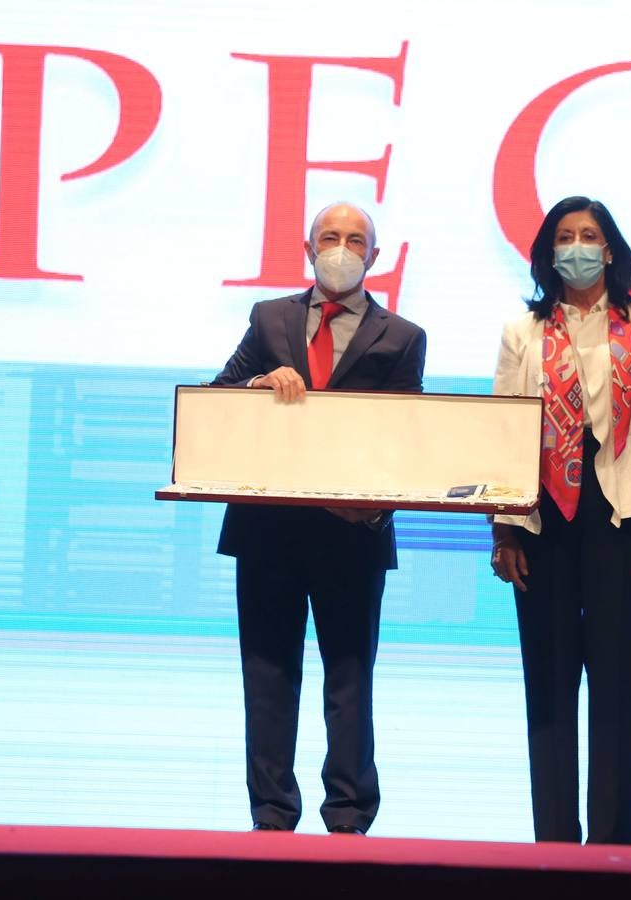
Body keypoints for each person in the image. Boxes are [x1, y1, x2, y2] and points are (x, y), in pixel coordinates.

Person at [211, 201, 426, 833]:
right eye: (329, 237)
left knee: (350, 679)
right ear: (309, 250)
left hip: (352, 531)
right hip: (268, 528)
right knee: (269, 678)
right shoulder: (269, 317)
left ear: (374, 257)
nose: (341, 247)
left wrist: (368, 502)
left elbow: (409, 435)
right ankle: (272, 815)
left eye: (355, 239)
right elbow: (218, 397)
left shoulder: (403, 335)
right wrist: (254, 388)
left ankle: (349, 816)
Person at [489, 196, 631, 845]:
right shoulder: (523, 331)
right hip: (544, 520)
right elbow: (503, 435)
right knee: (548, 687)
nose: (577, 246)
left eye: (589, 236)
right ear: (549, 253)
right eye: (565, 237)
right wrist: (503, 527)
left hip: (622, 520)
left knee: (620, 689)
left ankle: (613, 844)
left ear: (610, 250)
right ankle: (554, 842)